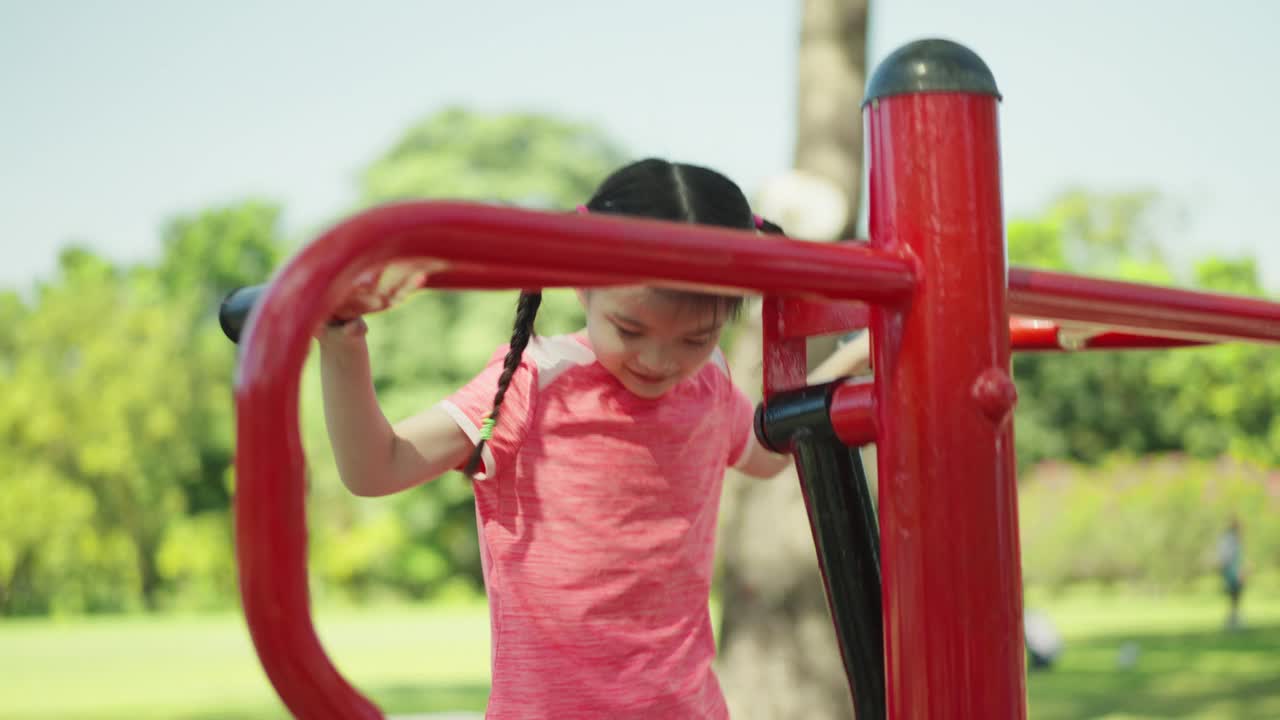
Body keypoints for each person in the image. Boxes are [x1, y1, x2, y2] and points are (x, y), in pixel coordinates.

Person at [317, 158, 804, 719]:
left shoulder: (709, 384)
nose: (658, 359)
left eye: (695, 337)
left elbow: (769, 455)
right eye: (630, 329)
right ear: (583, 284)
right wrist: (343, 345)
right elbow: (378, 466)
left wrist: (857, 364)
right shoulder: (535, 381)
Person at [1217, 516, 1246, 629]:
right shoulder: (1230, 539)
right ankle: (1232, 622)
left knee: (1235, 598)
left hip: (1233, 572)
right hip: (1232, 573)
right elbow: (1227, 557)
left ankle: (1233, 620)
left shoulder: (1234, 539)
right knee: (1234, 598)